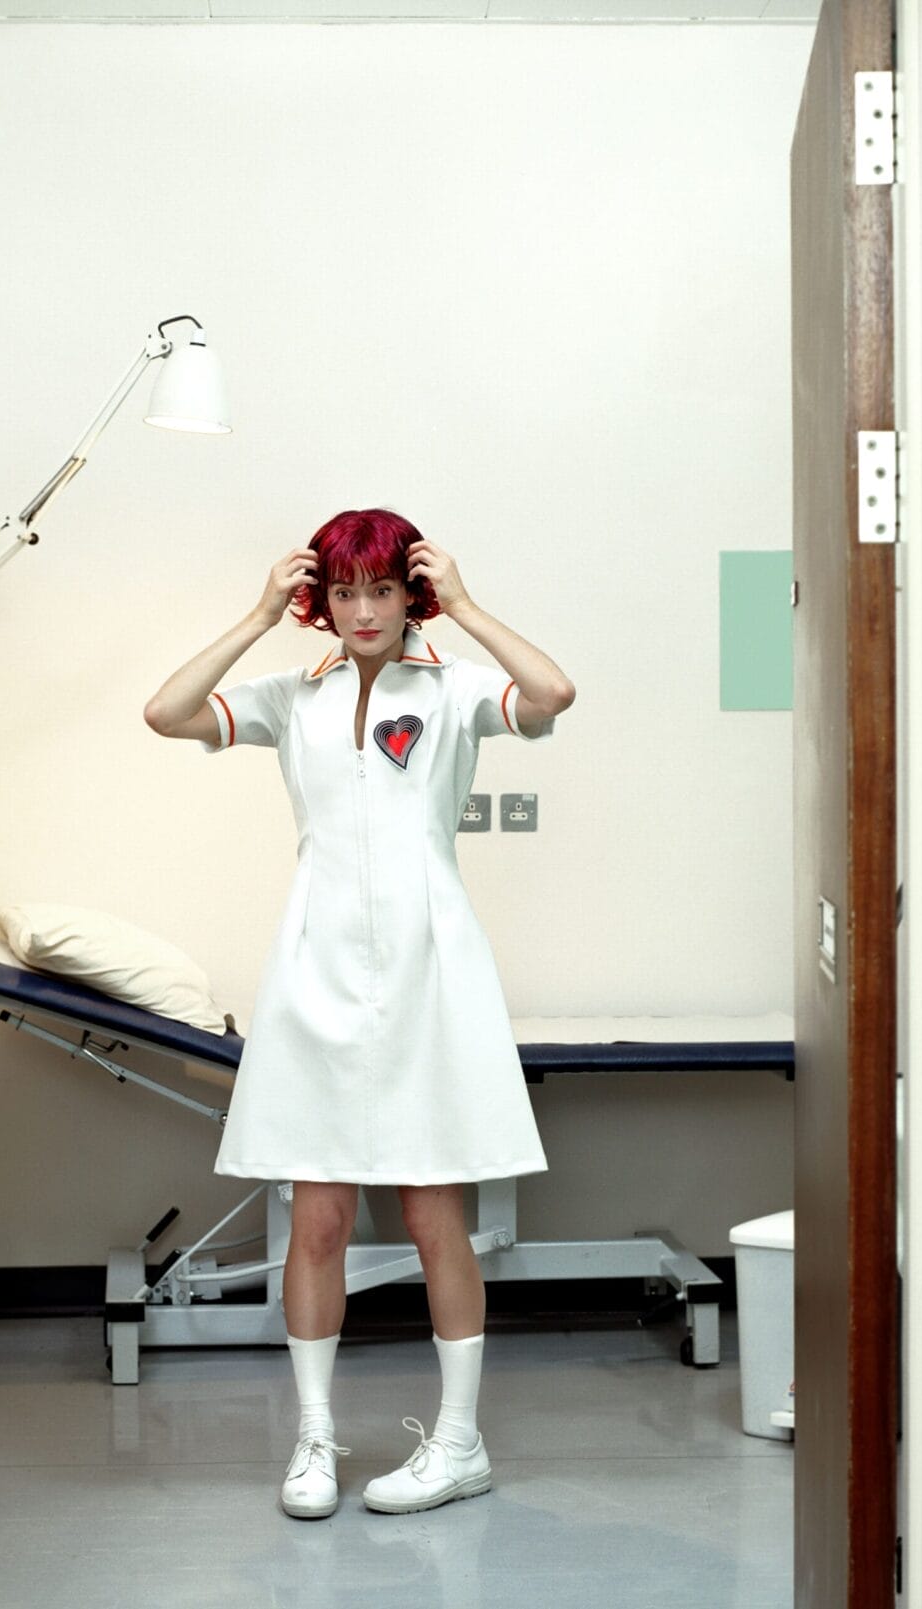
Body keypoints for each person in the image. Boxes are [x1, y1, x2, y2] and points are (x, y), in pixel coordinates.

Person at [144, 508, 574, 1520]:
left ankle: (459, 1443)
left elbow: (551, 693)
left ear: (409, 594)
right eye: (344, 592)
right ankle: (312, 1440)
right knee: (319, 1219)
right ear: (321, 601)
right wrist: (255, 615)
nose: (364, 611)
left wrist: (463, 605)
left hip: (430, 972)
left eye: (383, 590)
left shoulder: (455, 687)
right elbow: (166, 712)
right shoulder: (293, 697)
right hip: (315, 973)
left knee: (434, 1219)